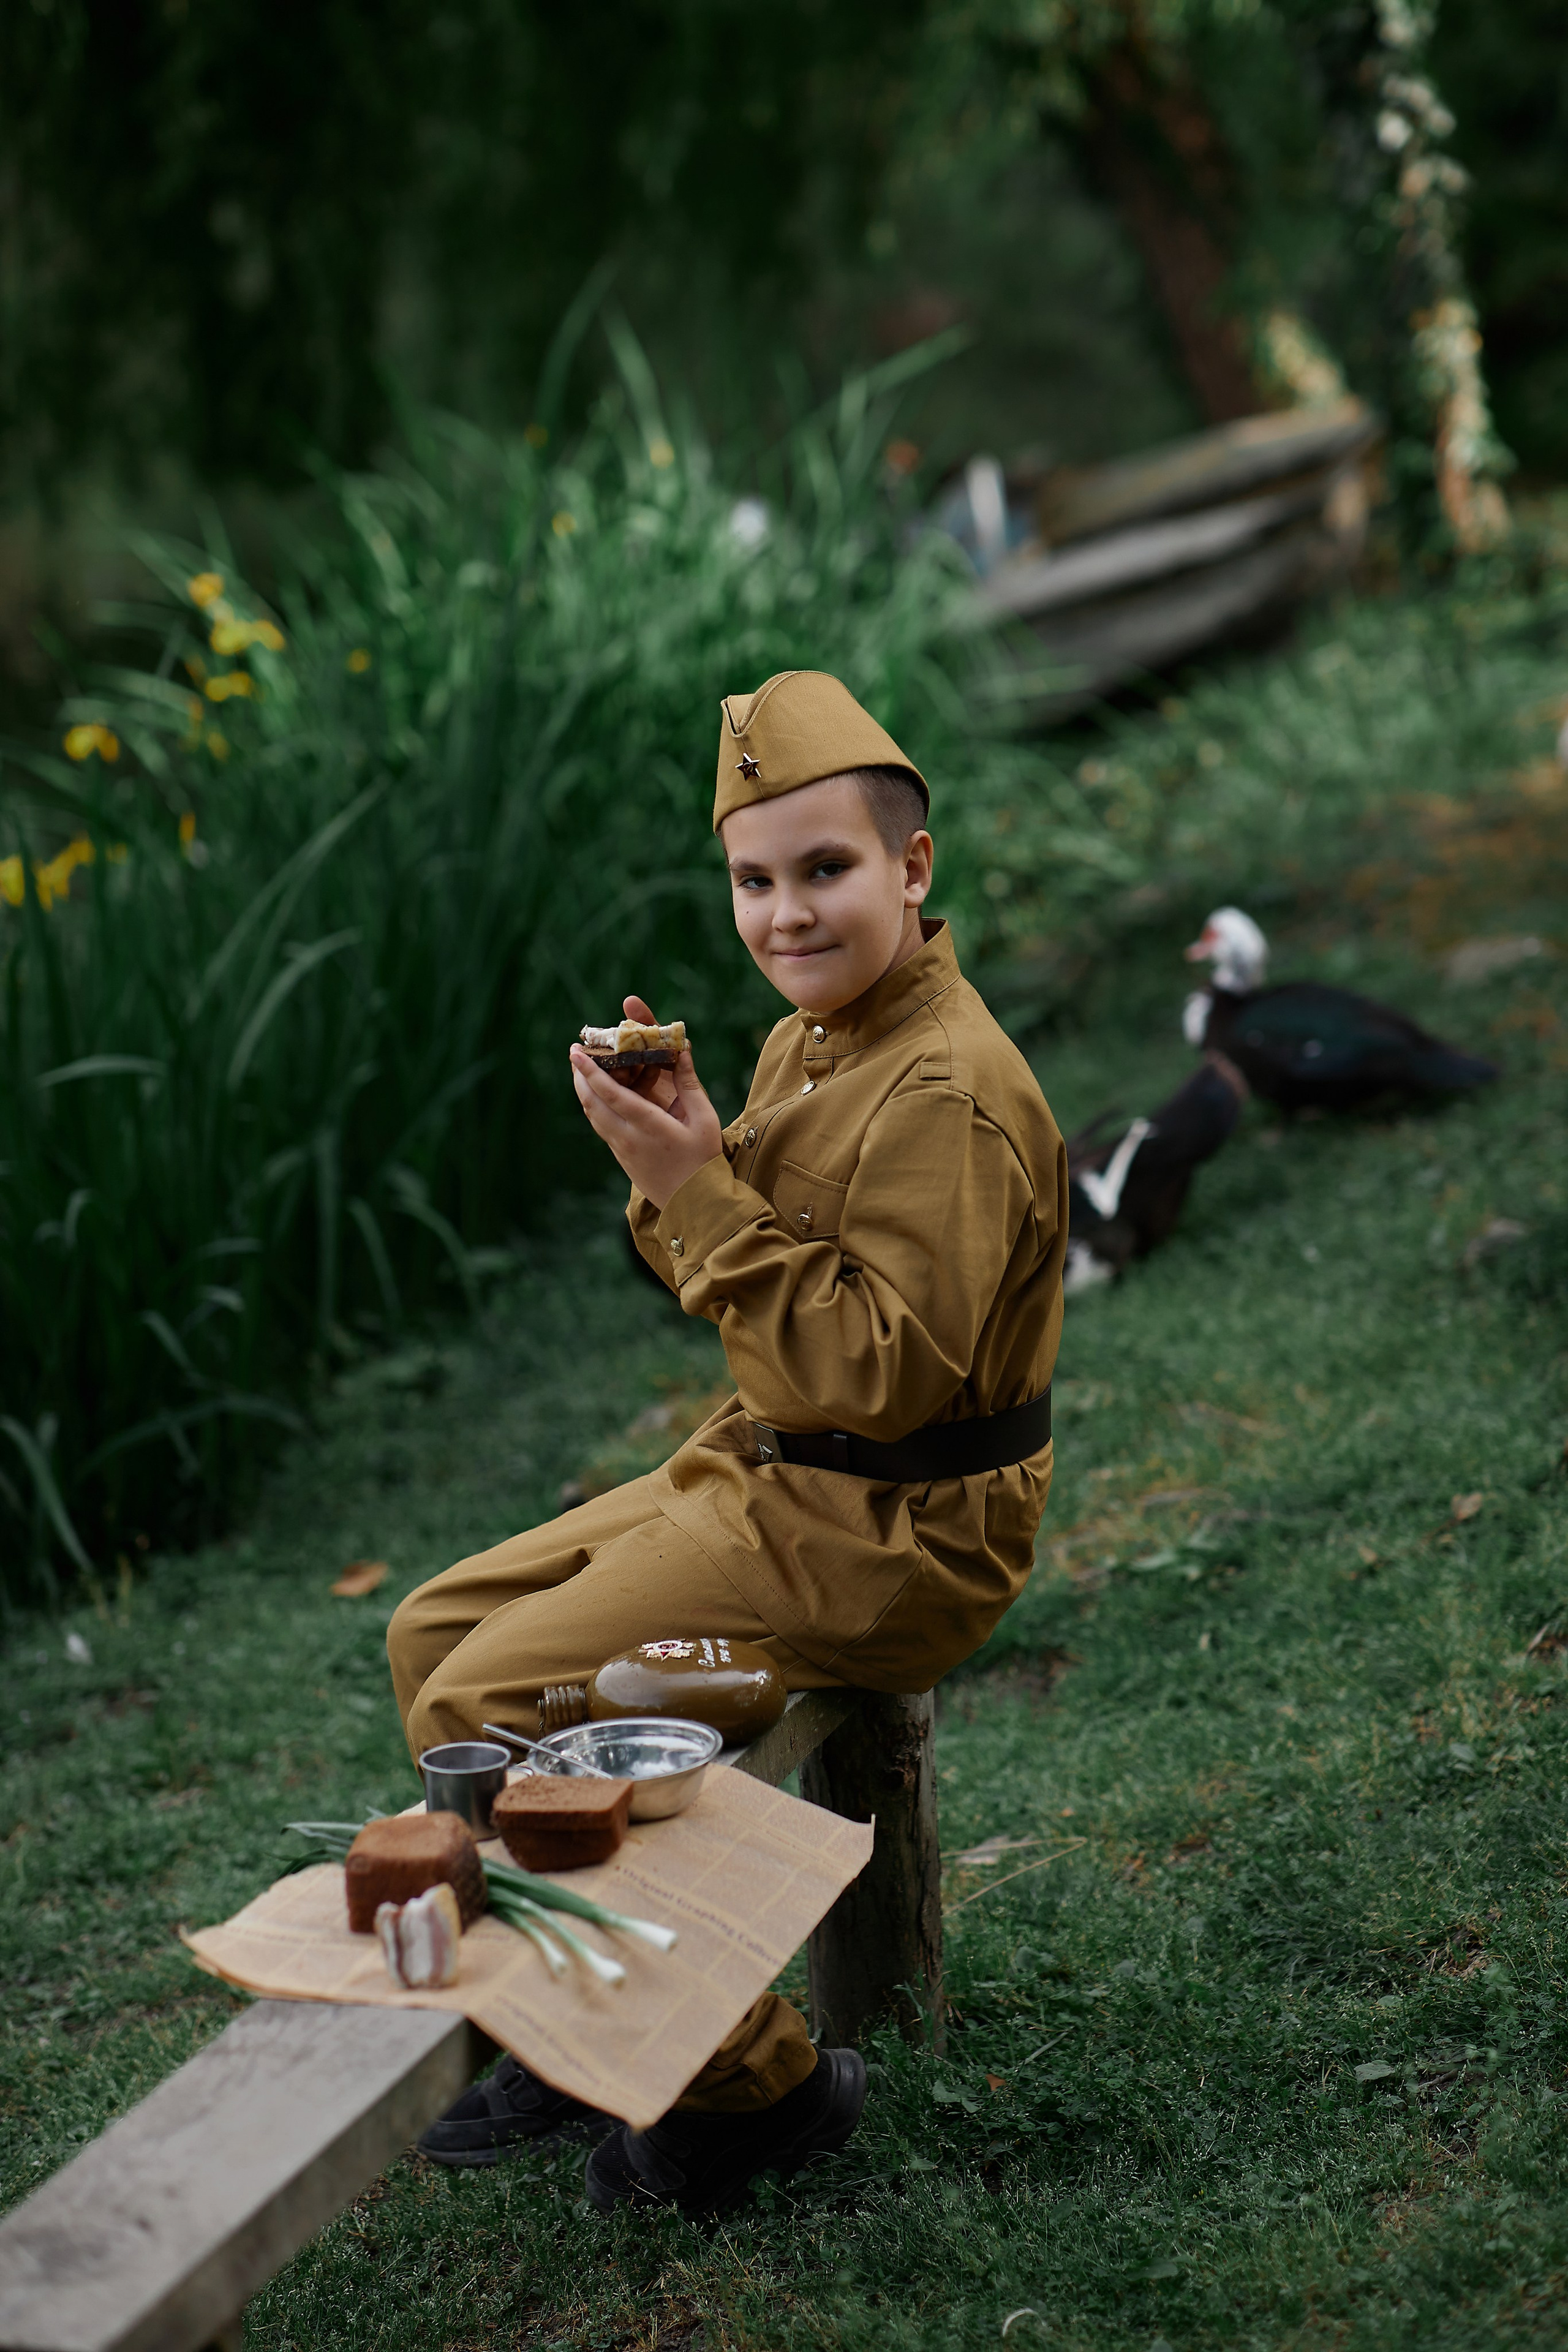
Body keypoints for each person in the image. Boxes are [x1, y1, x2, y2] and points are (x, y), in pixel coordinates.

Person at [391, 669, 1068, 2211]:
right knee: (434, 1628)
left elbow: (877, 1379)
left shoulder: (947, 1092)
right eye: (753, 881)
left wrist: (699, 1188)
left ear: (910, 866)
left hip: (891, 1534)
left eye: (823, 871)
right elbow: (734, 1284)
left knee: (483, 1692)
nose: (784, 915)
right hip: (776, 1472)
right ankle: (590, 1997)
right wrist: (680, 1152)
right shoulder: (803, 1042)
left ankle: (747, 2090)